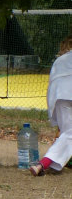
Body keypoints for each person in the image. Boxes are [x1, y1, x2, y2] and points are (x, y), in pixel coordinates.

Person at [30, 33, 72, 176]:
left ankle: (51, 165)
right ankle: (43, 164)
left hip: (59, 97)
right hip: (66, 93)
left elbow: (52, 85)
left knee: (67, 132)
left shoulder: (59, 61)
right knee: (70, 133)